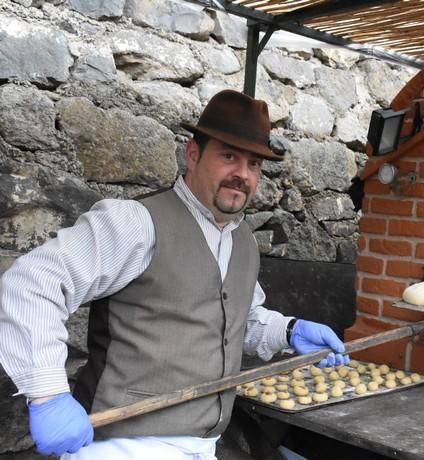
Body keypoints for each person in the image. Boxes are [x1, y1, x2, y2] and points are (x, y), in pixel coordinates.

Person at [0, 89, 349, 459]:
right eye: (229, 156)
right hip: (120, 447)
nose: (242, 175)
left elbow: (236, 321)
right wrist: (48, 395)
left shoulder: (242, 241)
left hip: (203, 446)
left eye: (254, 165)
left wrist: (290, 331)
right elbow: (30, 284)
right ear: (193, 154)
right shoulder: (136, 223)